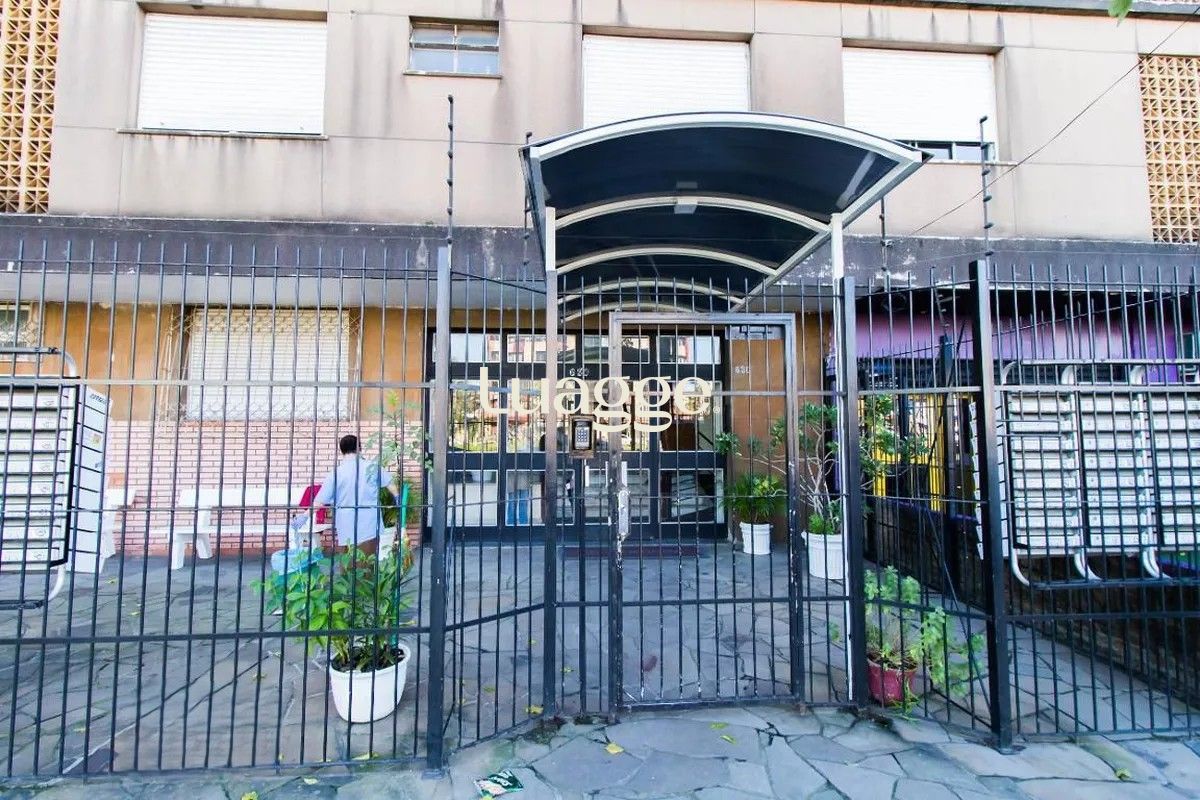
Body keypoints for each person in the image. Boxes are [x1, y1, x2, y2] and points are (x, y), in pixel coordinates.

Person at [305, 434, 392, 557]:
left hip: (346, 524)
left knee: (348, 561)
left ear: (342, 451)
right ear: (359, 448)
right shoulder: (372, 467)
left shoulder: (336, 473)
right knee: (367, 560)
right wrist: (398, 498)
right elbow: (390, 484)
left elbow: (320, 501)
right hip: (370, 523)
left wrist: (304, 516)